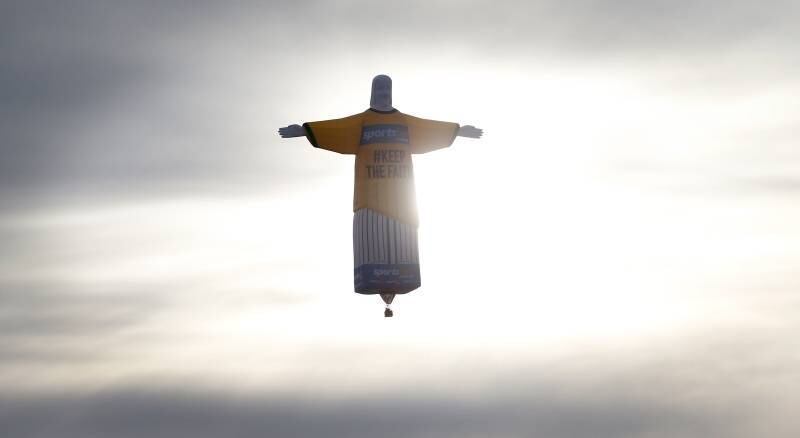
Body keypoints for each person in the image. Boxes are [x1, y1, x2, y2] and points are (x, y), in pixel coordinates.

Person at [279, 75, 482, 316]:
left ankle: (399, 278)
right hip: (369, 200)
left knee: (401, 246)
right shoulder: (362, 122)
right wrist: (304, 131)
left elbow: (430, 128)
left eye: (388, 87)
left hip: (402, 203)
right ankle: (376, 277)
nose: (384, 92)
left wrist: (457, 132)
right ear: (373, 91)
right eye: (380, 87)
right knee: (373, 242)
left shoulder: (405, 123)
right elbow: (336, 128)